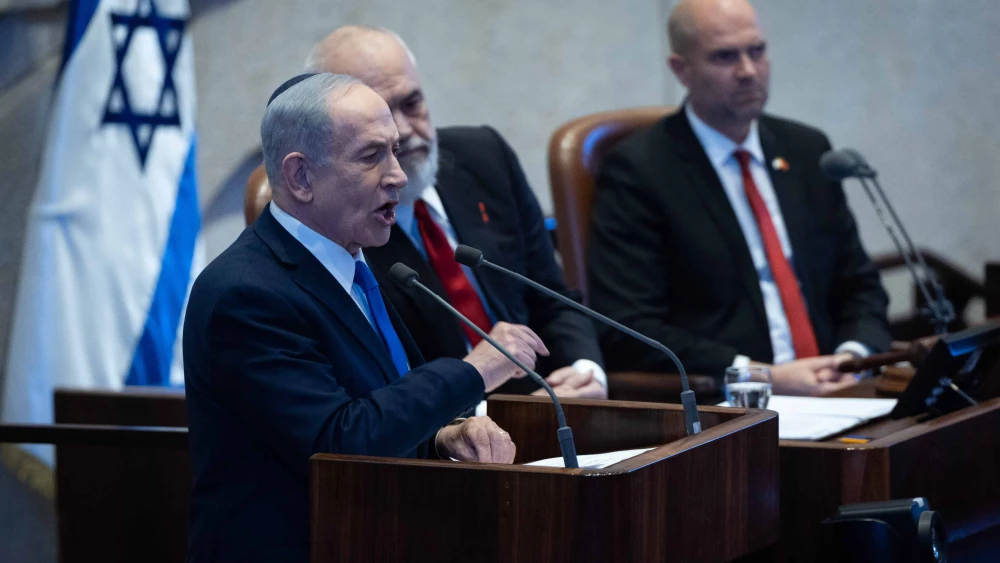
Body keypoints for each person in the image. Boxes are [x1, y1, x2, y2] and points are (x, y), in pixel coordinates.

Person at [183, 73, 548, 562]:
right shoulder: (246, 295)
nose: (398, 175)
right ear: (301, 177)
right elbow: (337, 445)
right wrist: (474, 370)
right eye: (371, 156)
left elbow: (378, 408)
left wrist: (443, 437)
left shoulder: (357, 263)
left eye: (394, 151)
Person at [586, 0, 892, 396]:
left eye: (757, 51)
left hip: (839, 388)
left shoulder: (806, 149)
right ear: (681, 70)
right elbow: (630, 327)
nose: (748, 71)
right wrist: (761, 375)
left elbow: (859, 285)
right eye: (725, 57)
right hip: (733, 405)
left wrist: (852, 358)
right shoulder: (640, 170)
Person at [304, 26, 607, 406]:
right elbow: (371, 387)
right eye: (376, 118)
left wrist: (585, 370)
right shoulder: (335, 223)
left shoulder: (485, 156)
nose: (403, 130)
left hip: (548, 403)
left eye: (412, 103)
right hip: (444, 425)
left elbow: (551, 296)